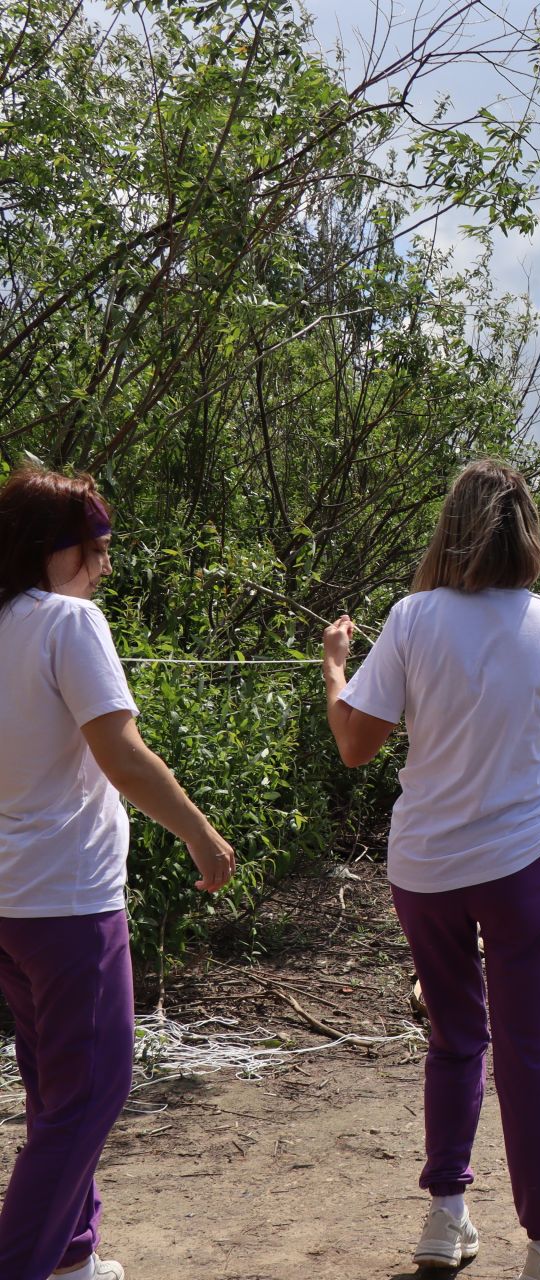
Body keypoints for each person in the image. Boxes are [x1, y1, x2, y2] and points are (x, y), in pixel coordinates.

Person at [321, 459, 540, 1280]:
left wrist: (333, 670)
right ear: (527, 532)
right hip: (518, 865)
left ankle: (445, 1217)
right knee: (530, 1052)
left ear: (450, 529)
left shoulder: (413, 617)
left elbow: (354, 745)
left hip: (423, 868)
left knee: (456, 1036)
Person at [0, 468, 237, 1280]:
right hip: (68, 900)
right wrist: (201, 835)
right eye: (94, 550)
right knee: (93, 1091)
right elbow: (122, 755)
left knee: (53, 1090)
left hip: (10, 905)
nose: (104, 568)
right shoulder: (69, 622)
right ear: (49, 550)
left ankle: (71, 1254)